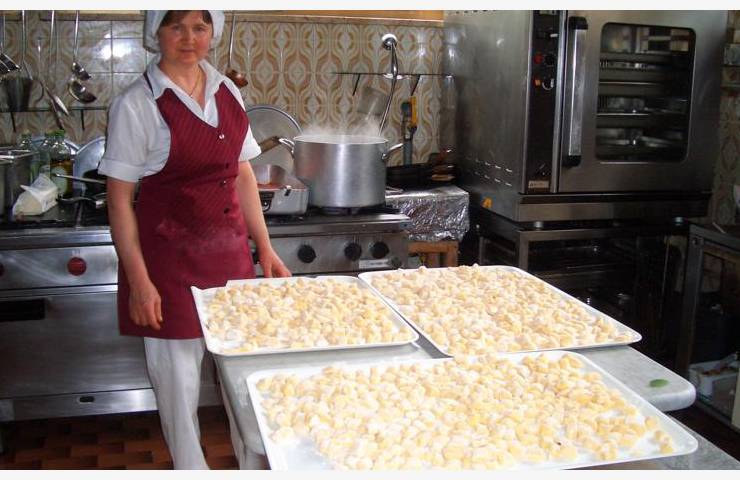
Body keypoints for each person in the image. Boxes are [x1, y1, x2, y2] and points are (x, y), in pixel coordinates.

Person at [99, 10, 290, 469]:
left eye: (200, 27)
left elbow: (241, 173)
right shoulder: (137, 103)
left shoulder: (227, 91)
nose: (189, 38)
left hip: (230, 261)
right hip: (169, 266)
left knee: (244, 385)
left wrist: (264, 247)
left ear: (213, 33)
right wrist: (140, 282)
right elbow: (119, 201)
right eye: (176, 27)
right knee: (178, 391)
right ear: (157, 33)